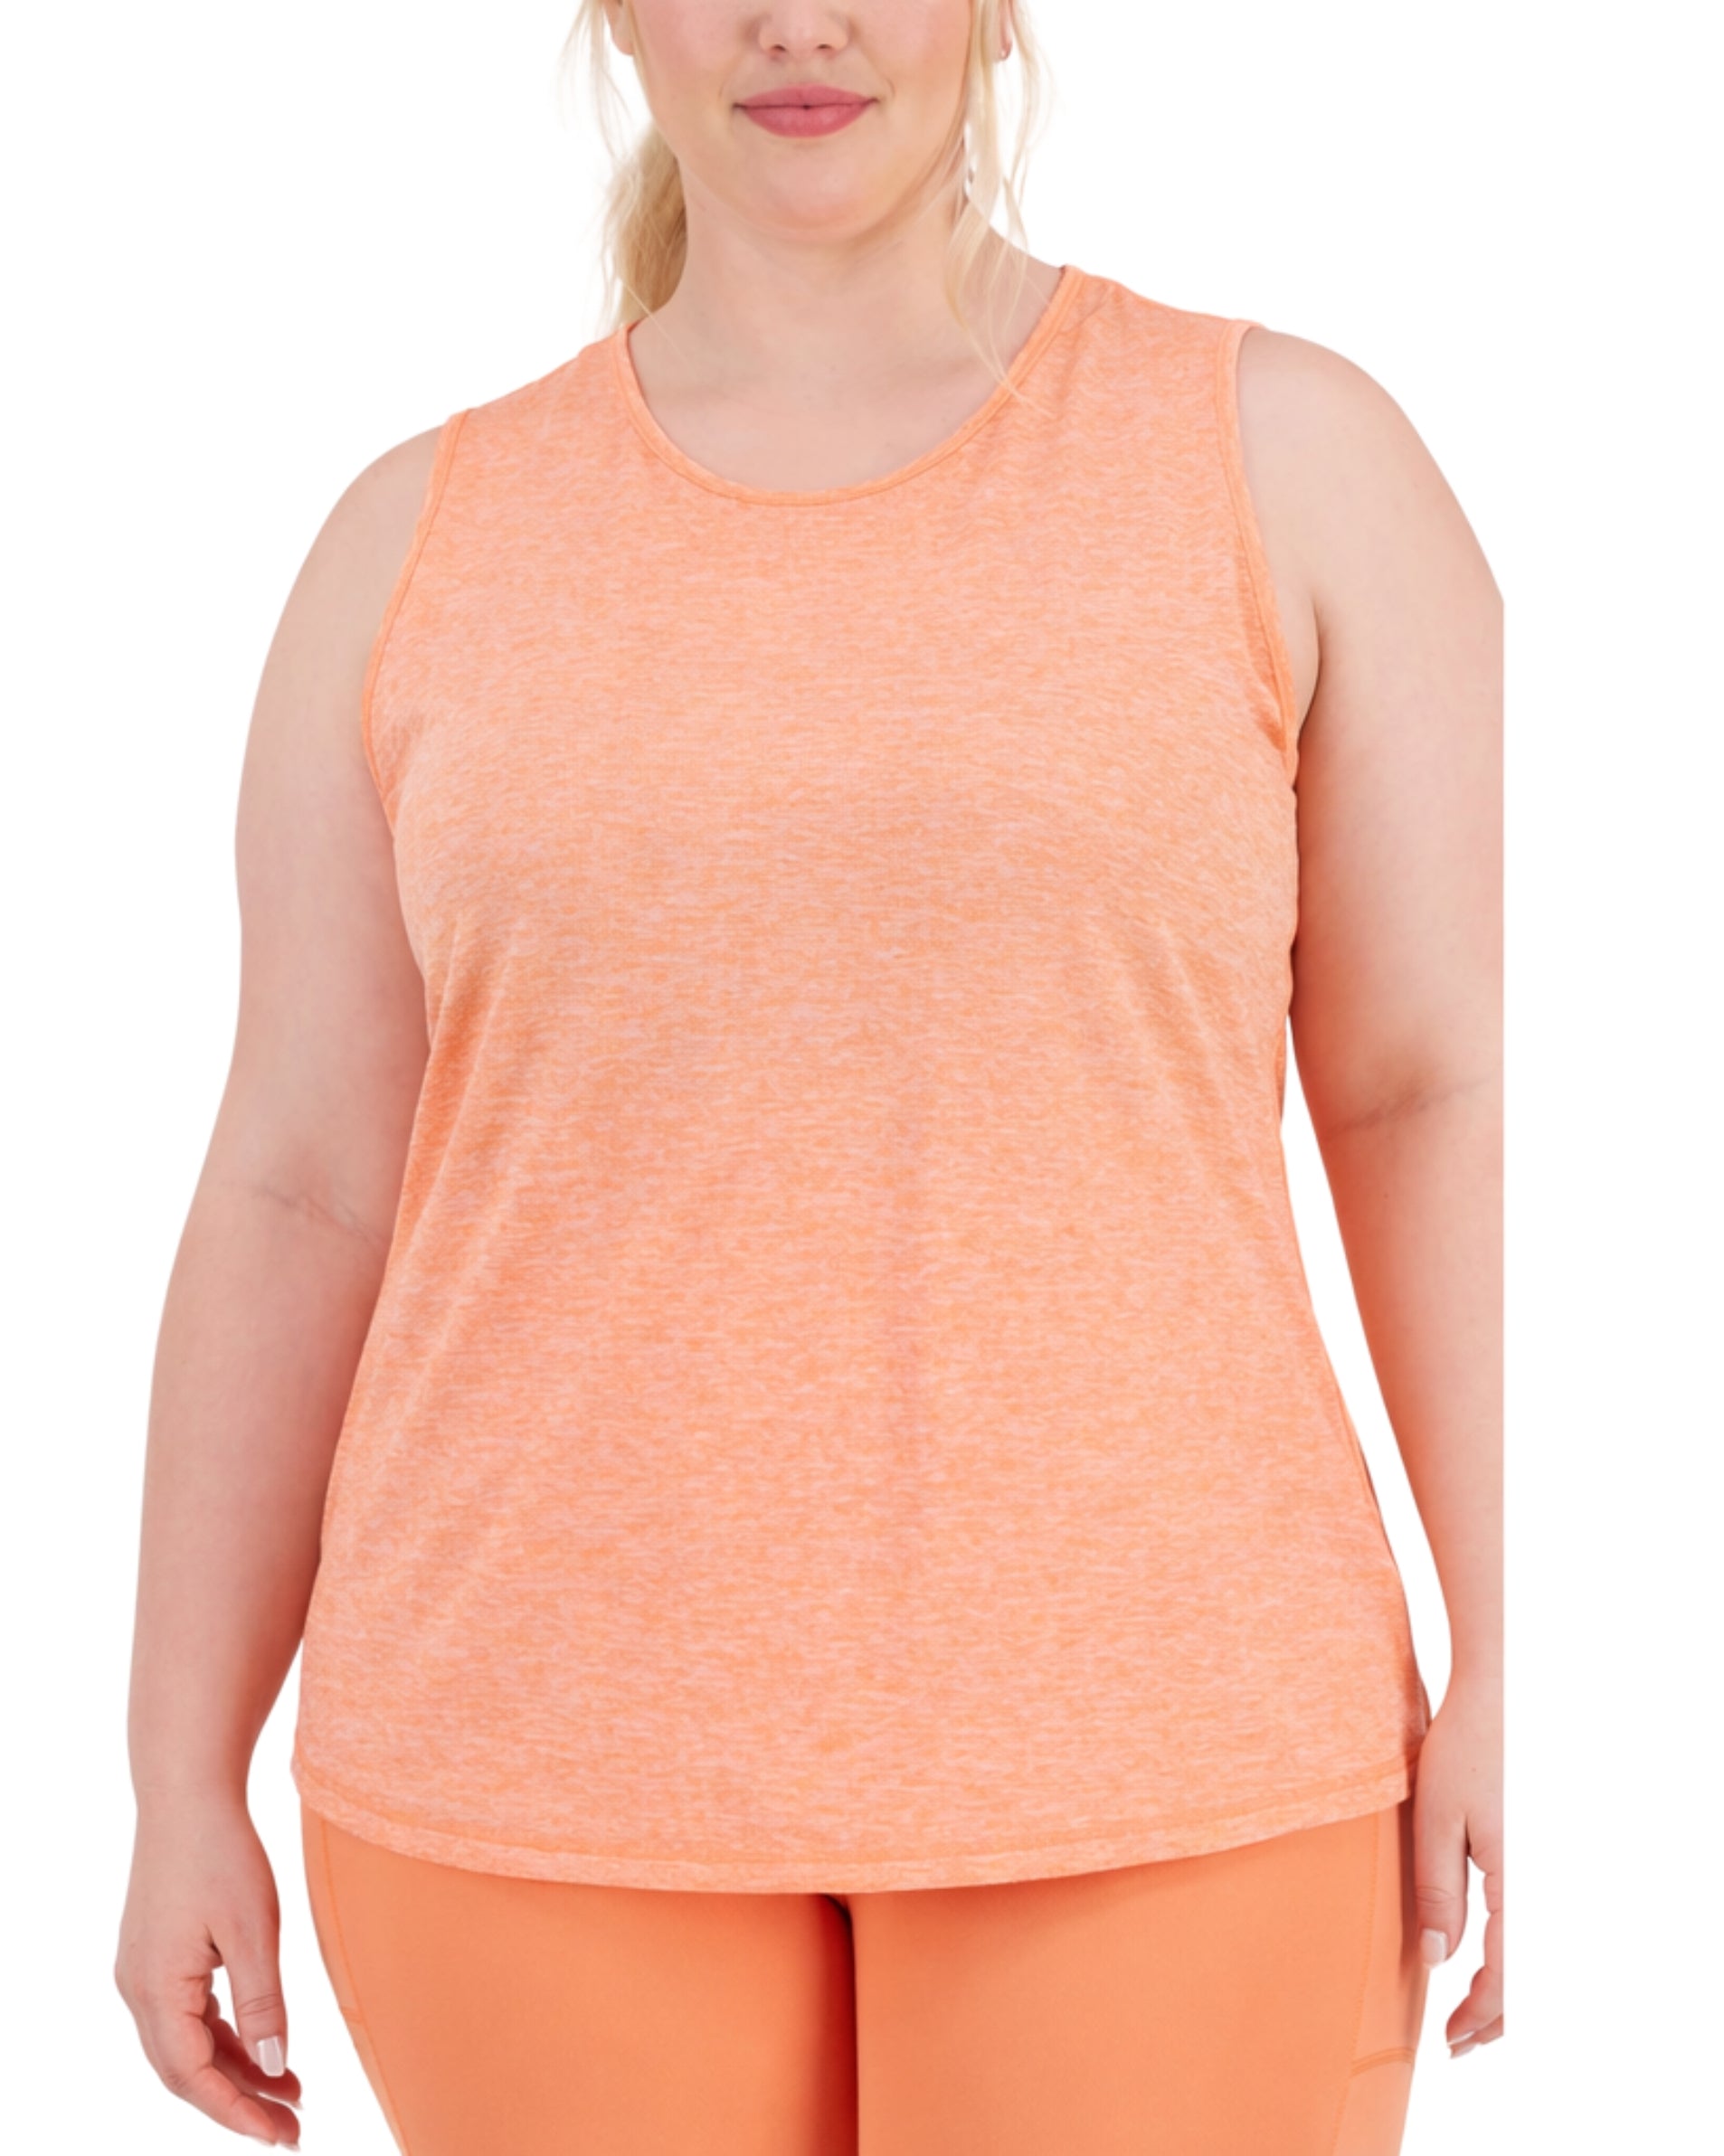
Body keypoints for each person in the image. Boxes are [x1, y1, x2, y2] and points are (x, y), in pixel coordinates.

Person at [114, 3, 1503, 2150]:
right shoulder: (413, 540)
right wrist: (173, 1769)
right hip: (521, 1766)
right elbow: (300, 1178)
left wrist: (1515, 1640)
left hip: (1167, 1741)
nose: (800, 22)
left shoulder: (1284, 459)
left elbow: (1427, 1090)